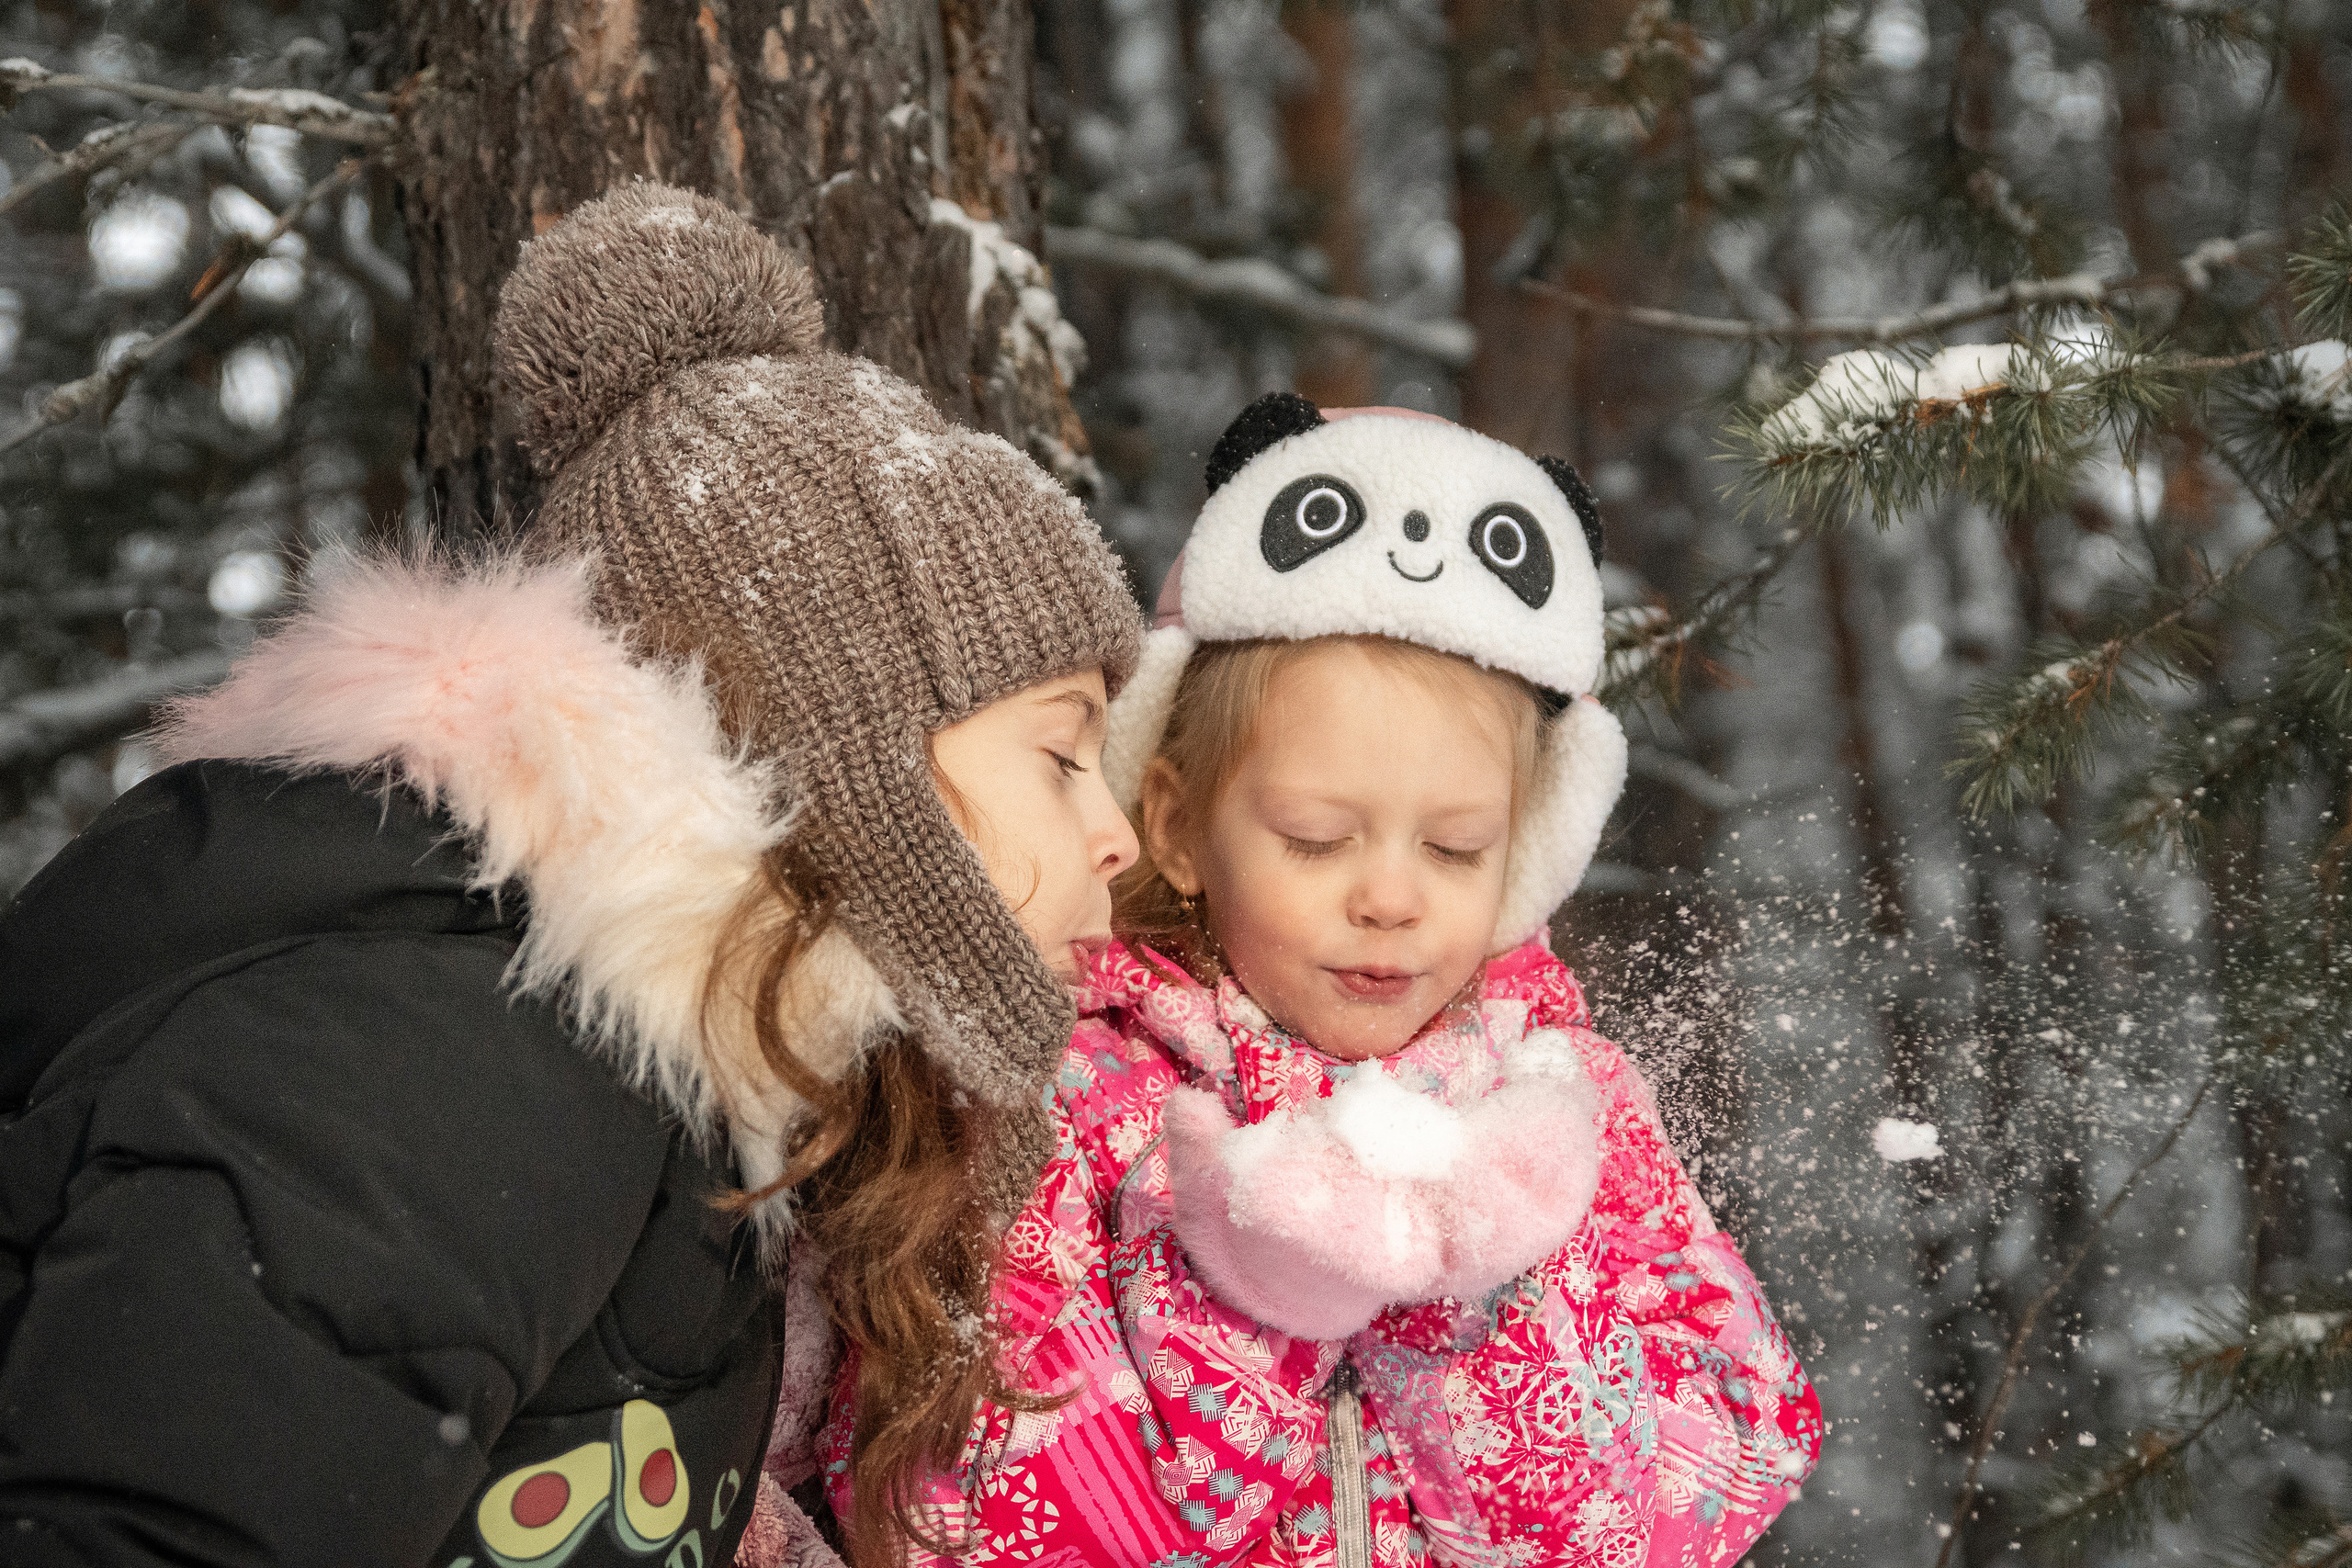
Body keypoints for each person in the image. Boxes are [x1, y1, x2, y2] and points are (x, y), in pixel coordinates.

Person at [0, 183, 1140, 1568]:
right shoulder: (444, 1059)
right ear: (852, 749)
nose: (1120, 832)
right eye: (1064, 753)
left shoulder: (679, 1079)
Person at [763, 395, 1822, 1566]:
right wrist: (1249, 1285)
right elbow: (966, 1516)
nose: (1389, 897)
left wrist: (1451, 1297)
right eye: (1317, 838)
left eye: (1455, 847)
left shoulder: (1577, 1110)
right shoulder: (1070, 1105)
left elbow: (1727, 1469)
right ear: (1173, 825)